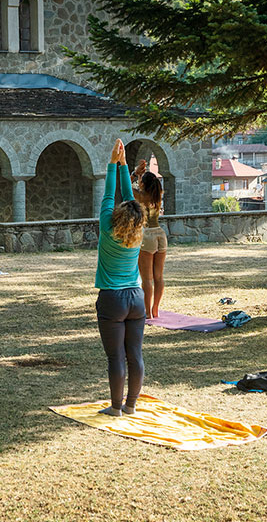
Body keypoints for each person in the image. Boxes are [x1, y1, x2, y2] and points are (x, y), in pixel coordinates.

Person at [95, 139, 147, 417]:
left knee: (115, 356)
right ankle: (131, 405)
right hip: (136, 299)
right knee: (134, 355)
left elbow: (108, 196)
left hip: (112, 299)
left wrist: (113, 164)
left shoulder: (107, 226)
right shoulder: (138, 232)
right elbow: (129, 198)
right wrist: (124, 165)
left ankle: (116, 408)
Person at [131, 160, 167, 319]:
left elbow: (125, 186)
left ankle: (147, 312)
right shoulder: (157, 195)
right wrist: (142, 176)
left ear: (144, 184)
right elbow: (144, 184)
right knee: (159, 277)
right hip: (160, 234)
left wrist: (135, 174)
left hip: (147, 236)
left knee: (147, 279)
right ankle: (155, 309)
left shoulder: (141, 196)